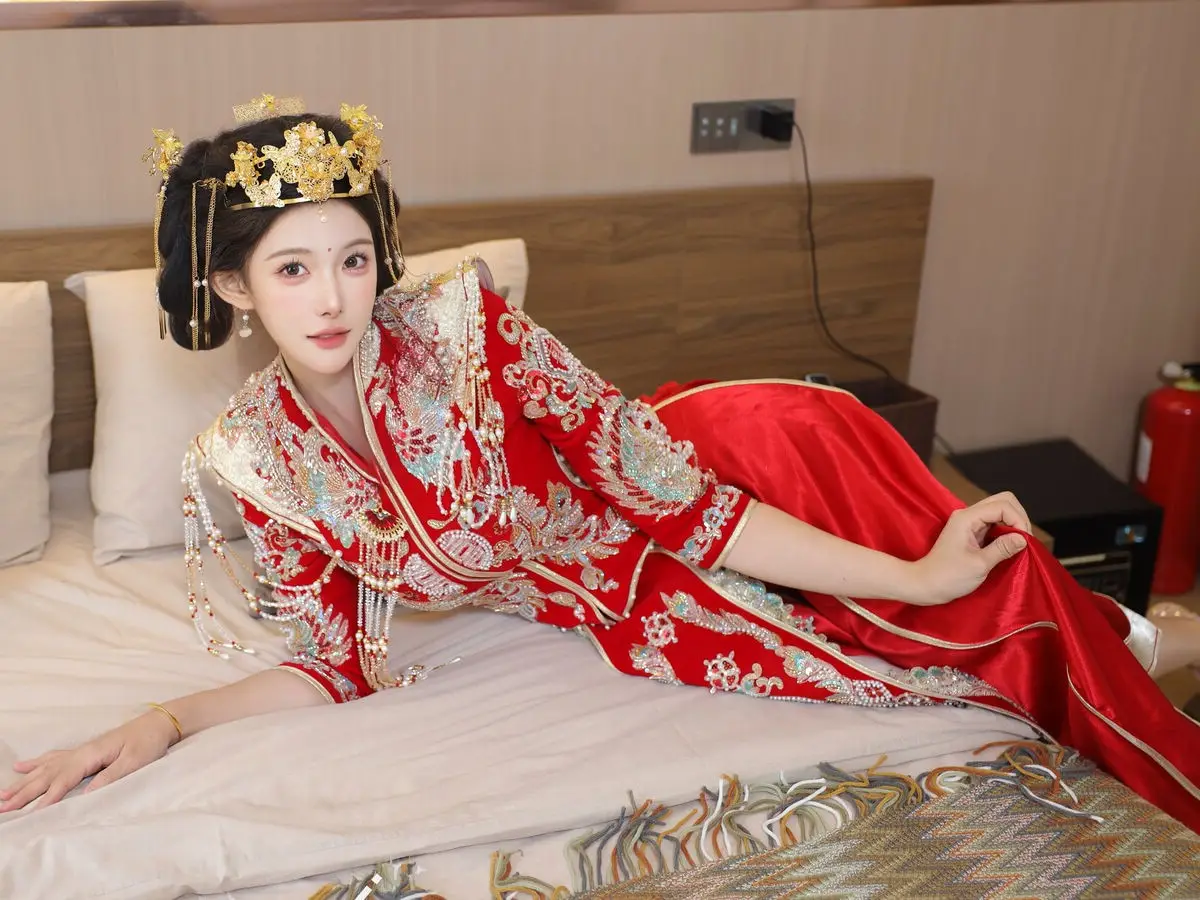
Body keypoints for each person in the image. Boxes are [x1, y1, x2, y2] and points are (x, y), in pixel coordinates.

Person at [3, 95, 1198, 831]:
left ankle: (1118, 647)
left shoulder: (466, 332)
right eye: (293, 269)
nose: (334, 299)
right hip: (630, 585)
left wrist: (912, 578)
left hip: (734, 470)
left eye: (354, 259)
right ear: (234, 287)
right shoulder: (257, 455)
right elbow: (336, 665)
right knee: (935, 660)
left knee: (970, 619)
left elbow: (681, 503)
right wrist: (163, 723)